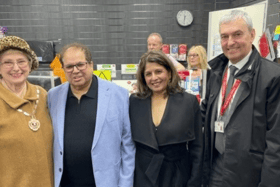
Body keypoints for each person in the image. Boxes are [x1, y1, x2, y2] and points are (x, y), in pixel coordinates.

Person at [202, 10, 280, 187]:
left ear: (252, 35)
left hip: (250, 175)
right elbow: (205, 113)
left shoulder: (273, 77)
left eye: (237, 34)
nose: (230, 42)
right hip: (216, 168)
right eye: (224, 36)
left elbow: (276, 142)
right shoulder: (216, 72)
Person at [48, 43, 135, 187]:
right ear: (63, 68)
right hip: (65, 182)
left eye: (80, 64)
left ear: (91, 64)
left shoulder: (118, 94)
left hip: (105, 182)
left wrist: (125, 183)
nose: (75, 71)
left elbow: (128, 145)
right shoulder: (53, 96)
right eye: (69, 66)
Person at [130, 50, 203, 187]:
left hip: (177, 176)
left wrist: (195, 181)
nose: (154, 78)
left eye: (158, 71)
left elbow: (197, 148)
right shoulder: (134, 102)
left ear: (169, 73)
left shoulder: (188, 102)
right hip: (143, 176)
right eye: (148, 74)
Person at [0, 36, 53, 186]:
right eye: (8, 62)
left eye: (21, 61)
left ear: (30, 65)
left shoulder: (42, 95)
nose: (16, 68)